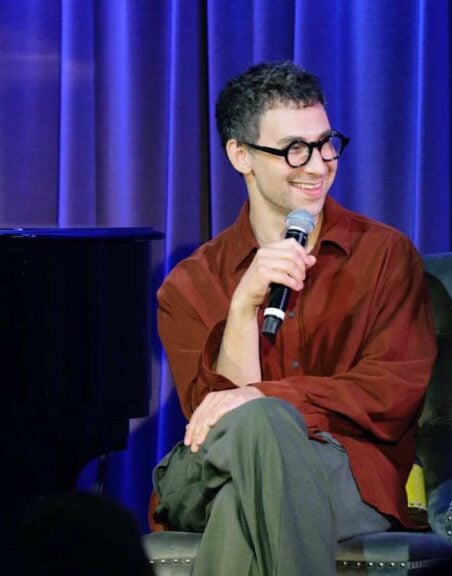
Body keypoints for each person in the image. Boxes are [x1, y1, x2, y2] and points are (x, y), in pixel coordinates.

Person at [151, 61, 436, 576]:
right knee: (252, 435)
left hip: (344, 470)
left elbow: (391, 390)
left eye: (326, 143)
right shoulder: (190, 285)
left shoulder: (384, 256)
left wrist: (268, 398)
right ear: (241, 155)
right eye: (294, 150)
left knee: (248, 487)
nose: (319, 165)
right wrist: (242, 307)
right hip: (205, 475)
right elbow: (213, 428)